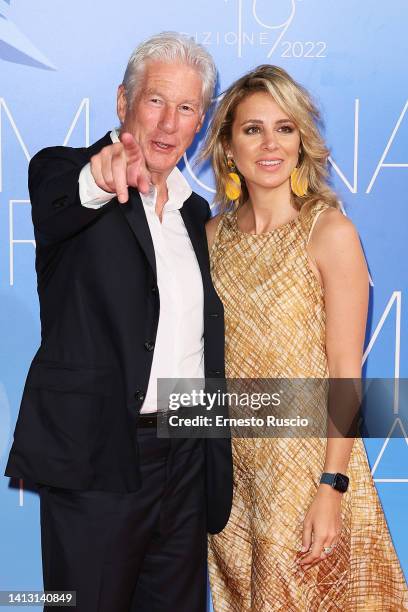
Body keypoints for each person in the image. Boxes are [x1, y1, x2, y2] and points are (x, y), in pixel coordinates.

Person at [4, 32, 232, 612]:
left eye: (185, 108)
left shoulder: (194, 210)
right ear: (122, 101)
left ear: (201, 120)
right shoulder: (63, 171)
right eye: (155, 100)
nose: (167, 123)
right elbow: (64, 197)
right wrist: (100, 181)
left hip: (184, 455)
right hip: (98, 454)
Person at [203, 65, 408, 610]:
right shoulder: (208, 239)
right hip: (233, 484)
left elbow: (346, 370)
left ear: (302, 142)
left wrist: (330, 488)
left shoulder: (329, 232)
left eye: (285, 128)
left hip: (311, 473)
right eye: (252, 129)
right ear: (228, 145)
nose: (270, 143)